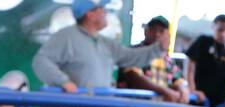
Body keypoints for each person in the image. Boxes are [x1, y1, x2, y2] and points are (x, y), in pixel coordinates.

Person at [32, 0, 169, 95]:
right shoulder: (66, 36)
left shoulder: (105, 43)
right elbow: (40, 61)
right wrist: (64, 82)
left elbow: (130, 57)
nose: (106, 13)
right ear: (90, 14)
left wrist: (158, 48)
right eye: (102, 9)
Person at [113, 16, 193, 107]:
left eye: (161, 31)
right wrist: (165, 92)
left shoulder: (167, 59)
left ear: (167, 35)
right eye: (153, 30)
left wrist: (184, 88)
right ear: (146, 31)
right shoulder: (133, 52)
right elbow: (135, 77)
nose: (156, 34)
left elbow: (178, 78)